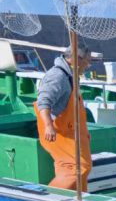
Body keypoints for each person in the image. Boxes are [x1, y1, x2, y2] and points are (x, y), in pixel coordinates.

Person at [34, 43, 93, 190]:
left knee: (77, 168)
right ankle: (50, 198)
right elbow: (43, 102)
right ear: (77, 59)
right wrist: (49, 126)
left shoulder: (70, 75)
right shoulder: (58, 76)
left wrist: (84, 133)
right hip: (60, 133)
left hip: (72, 132)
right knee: (76, 167)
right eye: (88, 60)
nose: (89, 65)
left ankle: (77, 198)